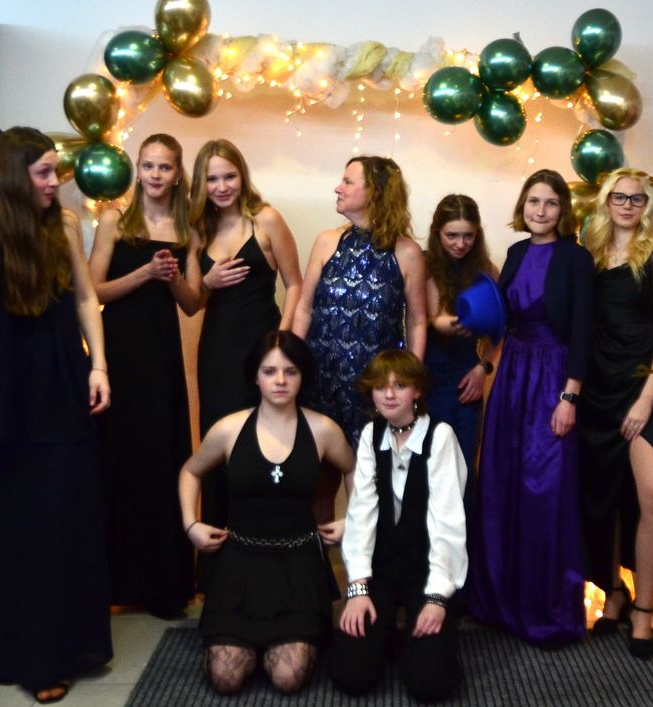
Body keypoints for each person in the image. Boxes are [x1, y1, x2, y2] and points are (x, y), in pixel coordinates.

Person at [0, 127, 113, 703]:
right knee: (16, 531)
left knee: (65, 520)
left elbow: (86, 297)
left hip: (62, 388)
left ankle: (69, 646)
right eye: (43, 172)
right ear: (14, 177)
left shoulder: (62, 226)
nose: (53, 182)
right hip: (1, 399)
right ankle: (28, 656)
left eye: (53, 172)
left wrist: (99, 366)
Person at [178, 331, 354, 696]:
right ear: (255, 377)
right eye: (269, 371)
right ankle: (249, 642)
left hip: (298, 564)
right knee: (225, 678)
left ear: (302, 376)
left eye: (290, 371)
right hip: (238, 563)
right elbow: (190, 471)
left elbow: (356, 471)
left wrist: (353, 520)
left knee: (288, 678)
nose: (280, 380)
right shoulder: (228, 429)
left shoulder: (323, 429)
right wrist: (190, 524)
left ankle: (280, 641)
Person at [467, 169, 594, 648]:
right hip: (513, 378)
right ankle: (500, 603)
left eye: (551, 203)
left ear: (563, 210)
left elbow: (582, 331)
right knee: (503, 484)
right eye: (534, 202)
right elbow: (501, 323)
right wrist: (483, 362)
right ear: (523, 206)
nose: (541, 211)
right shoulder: (517, 253)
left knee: (546, 490)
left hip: (553, 378)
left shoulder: (577, 258)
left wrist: (569, 396)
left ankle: (546, 611)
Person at [88, 133, 199, 617]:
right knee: (116, 459)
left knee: (159, 459)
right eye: (148, 165)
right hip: (118, 353)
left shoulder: (188, 227)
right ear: (138, 169)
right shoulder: (115, 219)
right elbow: (92, 291)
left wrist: (171, 277)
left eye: (164, 167)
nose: (155, 175)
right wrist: (144, 274)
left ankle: (161, 586)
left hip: (160, 354)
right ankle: (111, 585)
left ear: (177, 174)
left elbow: (193, 303)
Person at [578, 168, 653, 660]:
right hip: (597, 388)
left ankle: (643, 609)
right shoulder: (592, 253)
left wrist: (646, 397)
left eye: (636, 199)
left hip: (641, 386)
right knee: (605, 499)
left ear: (648, 205)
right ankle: (614, 593)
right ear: (605, 201)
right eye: (619, 197)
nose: (627, 205)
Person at [328, 350, 467, 702]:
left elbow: (448, 523)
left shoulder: (440, 436)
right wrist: (357, 589)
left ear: (417, 390)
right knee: (350, 676)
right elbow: (360, 514)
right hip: (383, 569)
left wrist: (437, 598)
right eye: (380, 387)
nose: (389, 395)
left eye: (400, 386)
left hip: (428, 569)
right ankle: (387, 636)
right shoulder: (371, 435)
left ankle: (414, 641)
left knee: (430, 685)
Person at [293, 156, 427, 519]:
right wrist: (291, 366)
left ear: (376, 192)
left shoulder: (407, 252)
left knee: (368, 489)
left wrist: (411, 382)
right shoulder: (326, 241)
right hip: (320, 382)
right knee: (317, 485)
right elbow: (304, 309)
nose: (338, 188)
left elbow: (417, 322)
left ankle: (366, 557)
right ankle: (319, 556)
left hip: (374, 389)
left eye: (348, 182)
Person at [190, 138, 303, 530]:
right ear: (200, 184)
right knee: (219, 441)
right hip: (217, 352)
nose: (222, 187)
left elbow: (295, 284)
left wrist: (281, 346)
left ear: (242, 176)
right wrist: (208, 281)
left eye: (229, 176)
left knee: (263, 442)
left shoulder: (266, 219)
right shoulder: (198, 229)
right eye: (212, 179)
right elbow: (192, 302)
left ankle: (265, 539)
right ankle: (220, 545)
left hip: (263, 349)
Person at [422, 194, 498, 512]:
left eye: (468, 236)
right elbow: (436, 319)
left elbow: (499, 333)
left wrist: (483, 368)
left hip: (467, 377)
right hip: (428, 375)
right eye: (451, 235)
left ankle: (462, 540)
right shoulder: (426, 264)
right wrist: (470, 319)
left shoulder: (486, 270)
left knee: (463, 464)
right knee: (428, 464)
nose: (460, 243)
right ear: (437, 233)